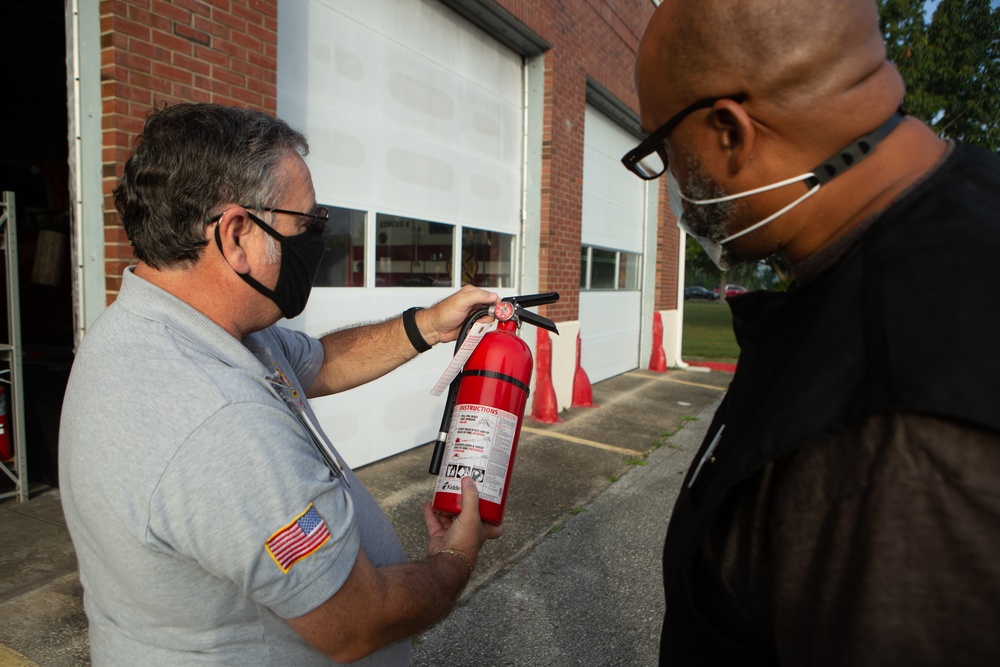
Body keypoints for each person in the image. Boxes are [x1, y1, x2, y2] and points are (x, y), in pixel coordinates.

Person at [622, 0, 1000, 664]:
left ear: (730, 132)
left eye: (663, 151)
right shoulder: (965, 203)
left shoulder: (889, 427)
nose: (672, 185)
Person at [58, 103, 503, 666]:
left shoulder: (183, 330)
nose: (319, 243)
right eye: (308, 225)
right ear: (238, 235)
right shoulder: (216, 421)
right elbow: (357, 624)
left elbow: (320, 362)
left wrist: (427, 324)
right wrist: (454, 558)